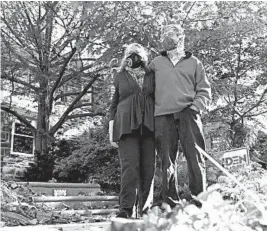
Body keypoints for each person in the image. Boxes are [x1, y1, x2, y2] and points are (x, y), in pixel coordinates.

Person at [149, 24, 212, 207]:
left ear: (180, 37)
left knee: (195, 157)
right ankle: (170, 203)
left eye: (170, 34)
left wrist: (194, 108)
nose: (165, 37)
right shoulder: (155, 63)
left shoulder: (194, 62)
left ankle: (200, 202)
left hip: (188, 114)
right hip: (162, 116)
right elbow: (148, 91)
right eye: (163, 34)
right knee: (166, 161)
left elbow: (204, 90)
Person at [109, 43, 156, 218]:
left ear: (143, 56)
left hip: (149, 127)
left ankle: (145, 212)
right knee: (130, 168)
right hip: (126, 126)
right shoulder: (120, 75)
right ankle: (125, 210)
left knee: (148, 169)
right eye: (130, 53)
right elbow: (113, 105)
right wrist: (111, 129)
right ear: (125, 57)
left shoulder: (152, 75)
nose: (133, 56)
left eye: (136, 53)